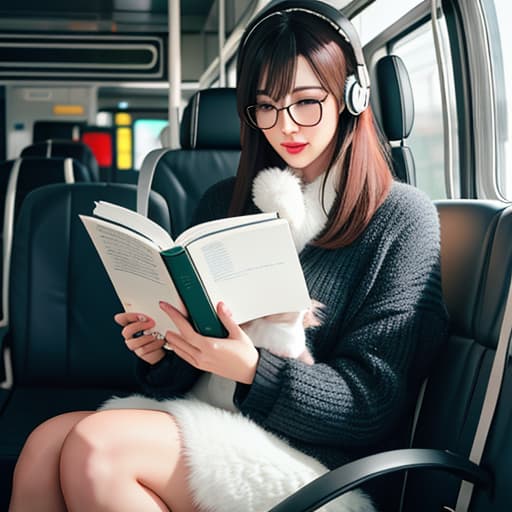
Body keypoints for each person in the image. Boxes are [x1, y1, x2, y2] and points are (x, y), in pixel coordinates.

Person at [9, 1, 448, 511]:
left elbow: (371, 404)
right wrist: (162, 351)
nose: (286, 126)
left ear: (352, 96)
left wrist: (251, 369)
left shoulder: (402, 218)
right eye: (266, 106)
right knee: (44, 446)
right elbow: (189, 366)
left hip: (318, 460)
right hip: (212, 418)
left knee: (97, 449)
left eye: (306, 102)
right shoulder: (224, 201)